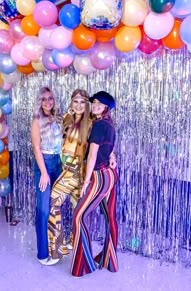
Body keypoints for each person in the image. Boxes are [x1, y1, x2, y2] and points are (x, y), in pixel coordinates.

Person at [71, 91, 118, 277]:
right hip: (110, 174)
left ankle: (84, 264)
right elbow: (109, 148)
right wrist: (112, 156)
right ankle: (110, 261)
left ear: (106, 106)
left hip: (99, 176)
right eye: (94, 102)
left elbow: (91, 156)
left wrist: (86, 181)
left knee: (78, 217)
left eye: (100, 103)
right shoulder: (108, 123)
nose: (96, 105)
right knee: (110, 218)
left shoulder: (99, 125)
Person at [47, 89, 91, 265]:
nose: (79, 105)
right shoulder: (66, 118)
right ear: (71, 103)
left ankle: (63, 248)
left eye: (82, 102)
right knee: (72, 210)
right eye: (76, 101)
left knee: (64, 207)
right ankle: (63, 247)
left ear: (87, 104)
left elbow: (101, 144)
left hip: (77, 173)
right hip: (65, 170)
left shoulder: (92, 123)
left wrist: (112, 156)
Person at [31, 87, 63, 265]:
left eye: (50, 98)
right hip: (44, 164)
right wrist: (44, 172)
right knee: (43, 209)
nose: (48, 102)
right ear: (39, 101)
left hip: (59, 163)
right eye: (44, 99)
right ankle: (42, 253)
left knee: (55, 208)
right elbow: (36, 148)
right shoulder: (37, 120)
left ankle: (56, 246)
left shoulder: (58, 117)